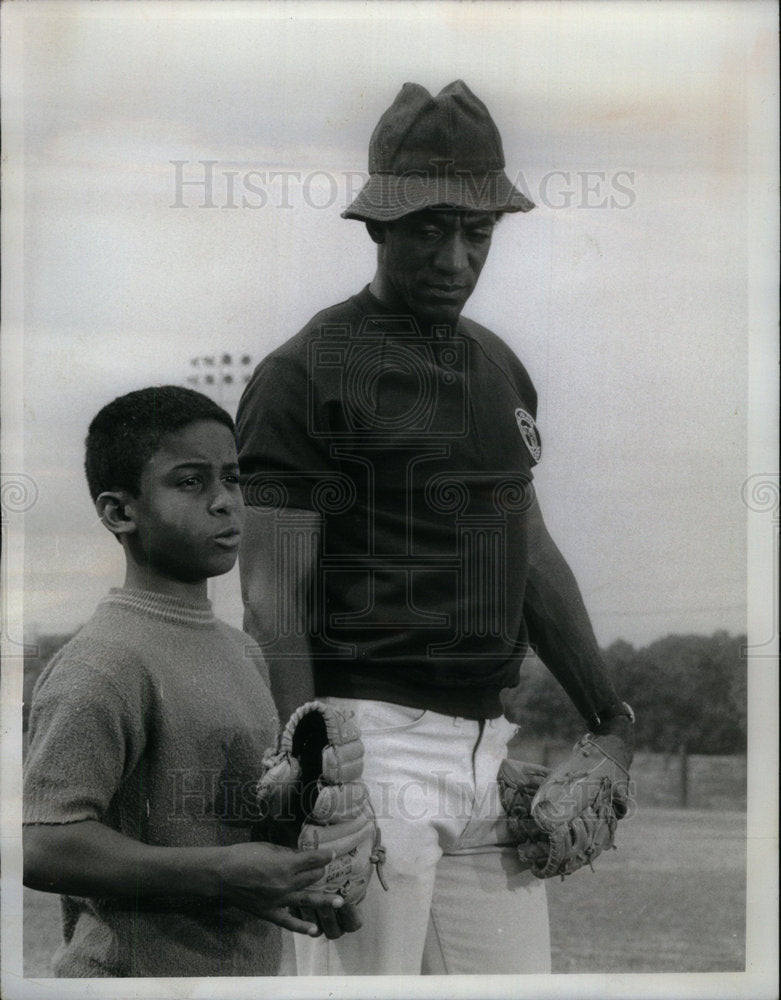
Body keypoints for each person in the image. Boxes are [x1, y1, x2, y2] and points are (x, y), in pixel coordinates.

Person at [236, 80, 634, 976]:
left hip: (488, 749)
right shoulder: (306, 372)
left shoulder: (498, 365)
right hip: (363, 741)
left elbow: (527, 551)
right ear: (377, 226)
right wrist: (314, 779)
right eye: (428, 228)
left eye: (477, 231)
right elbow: (272, 601)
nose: (455, 257)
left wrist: (611, 718)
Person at [23, 385, 348, 978]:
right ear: (121, 512)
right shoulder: (103, 662)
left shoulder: (244, 651)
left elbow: (234, 829)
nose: (225, 501)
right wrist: (222, 872)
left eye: (232, 477)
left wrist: (300, 874)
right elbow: (44, 846)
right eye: (191, 482)